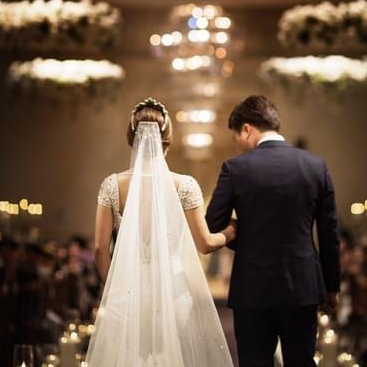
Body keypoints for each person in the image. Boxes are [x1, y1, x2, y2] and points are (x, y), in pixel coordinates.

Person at [87, 98, 236, 366]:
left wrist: (115, 289)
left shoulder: (112, 185)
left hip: (126, 294)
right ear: (167, 141)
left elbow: (100, 250)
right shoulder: (185, 185)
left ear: (132, 139)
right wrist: (232, 231)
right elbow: (205, 243)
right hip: (173, 294)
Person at [206, 95, 341, 367]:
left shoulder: (235, 168)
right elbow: (329, 233)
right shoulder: (316, 166)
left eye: (236, 138)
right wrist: (332, 286)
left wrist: (242, 234)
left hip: (252, 286)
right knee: (301, 363)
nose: (238, 146)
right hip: (302, 285)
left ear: (247, 129)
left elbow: (213, 223)